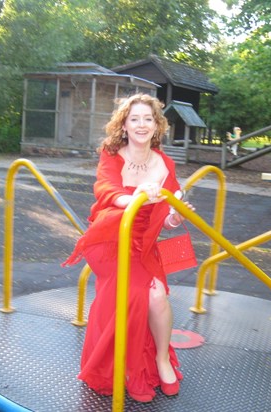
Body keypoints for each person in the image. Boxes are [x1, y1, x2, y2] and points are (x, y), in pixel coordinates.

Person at [62, 93, 195, 403]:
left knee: (152, 295)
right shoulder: (112, 155)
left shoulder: (164, 163)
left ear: (157, 125)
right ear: (123, 124)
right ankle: (133, 369)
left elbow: (169, 214)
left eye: (147, 119)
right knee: (149, 293)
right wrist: (135, 198)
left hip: (143, 244)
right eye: (134, 119)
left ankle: (161, 359)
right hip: (111, 237)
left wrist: (175, 216)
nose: (141, 124)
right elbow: (106, 190)